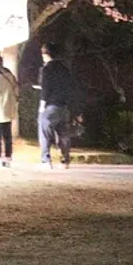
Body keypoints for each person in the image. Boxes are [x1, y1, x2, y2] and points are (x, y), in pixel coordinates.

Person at [35, 41, 79, 169]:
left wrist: (42, 104)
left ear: (45, 54)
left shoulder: (47, 69)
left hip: (50, 105)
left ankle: (46, 160)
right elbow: (71, 87)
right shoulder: (65, 69)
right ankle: (65, 160)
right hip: (63, 106)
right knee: (63, 133)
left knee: (44, 131)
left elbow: (46, 88)